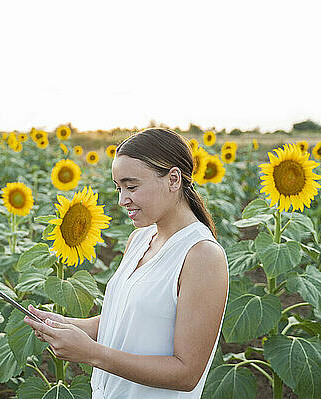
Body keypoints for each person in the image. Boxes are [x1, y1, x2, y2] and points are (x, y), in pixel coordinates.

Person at [23, 128, 229, 398]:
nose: (122, 200)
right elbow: (125, 319)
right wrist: (67, 325)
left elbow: (186, 373)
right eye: (118, 188)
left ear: (174, 179)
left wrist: (92, 354)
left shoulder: (202, 256)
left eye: (132, 187)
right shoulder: (139, 239)